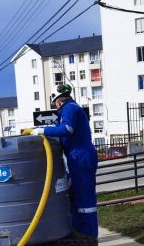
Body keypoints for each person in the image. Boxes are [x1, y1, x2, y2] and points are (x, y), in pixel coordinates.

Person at [22, 83, 98, 237]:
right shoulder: (70, 109)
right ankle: (79, 229)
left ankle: (88, 233)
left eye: (55, 104)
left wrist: (40, 130)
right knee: (75, 195)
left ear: (57, 101)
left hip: (81, 156)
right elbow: (60, 129)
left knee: (84, 195)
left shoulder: (70, 108)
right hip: (78, 156)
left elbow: (67, 129)